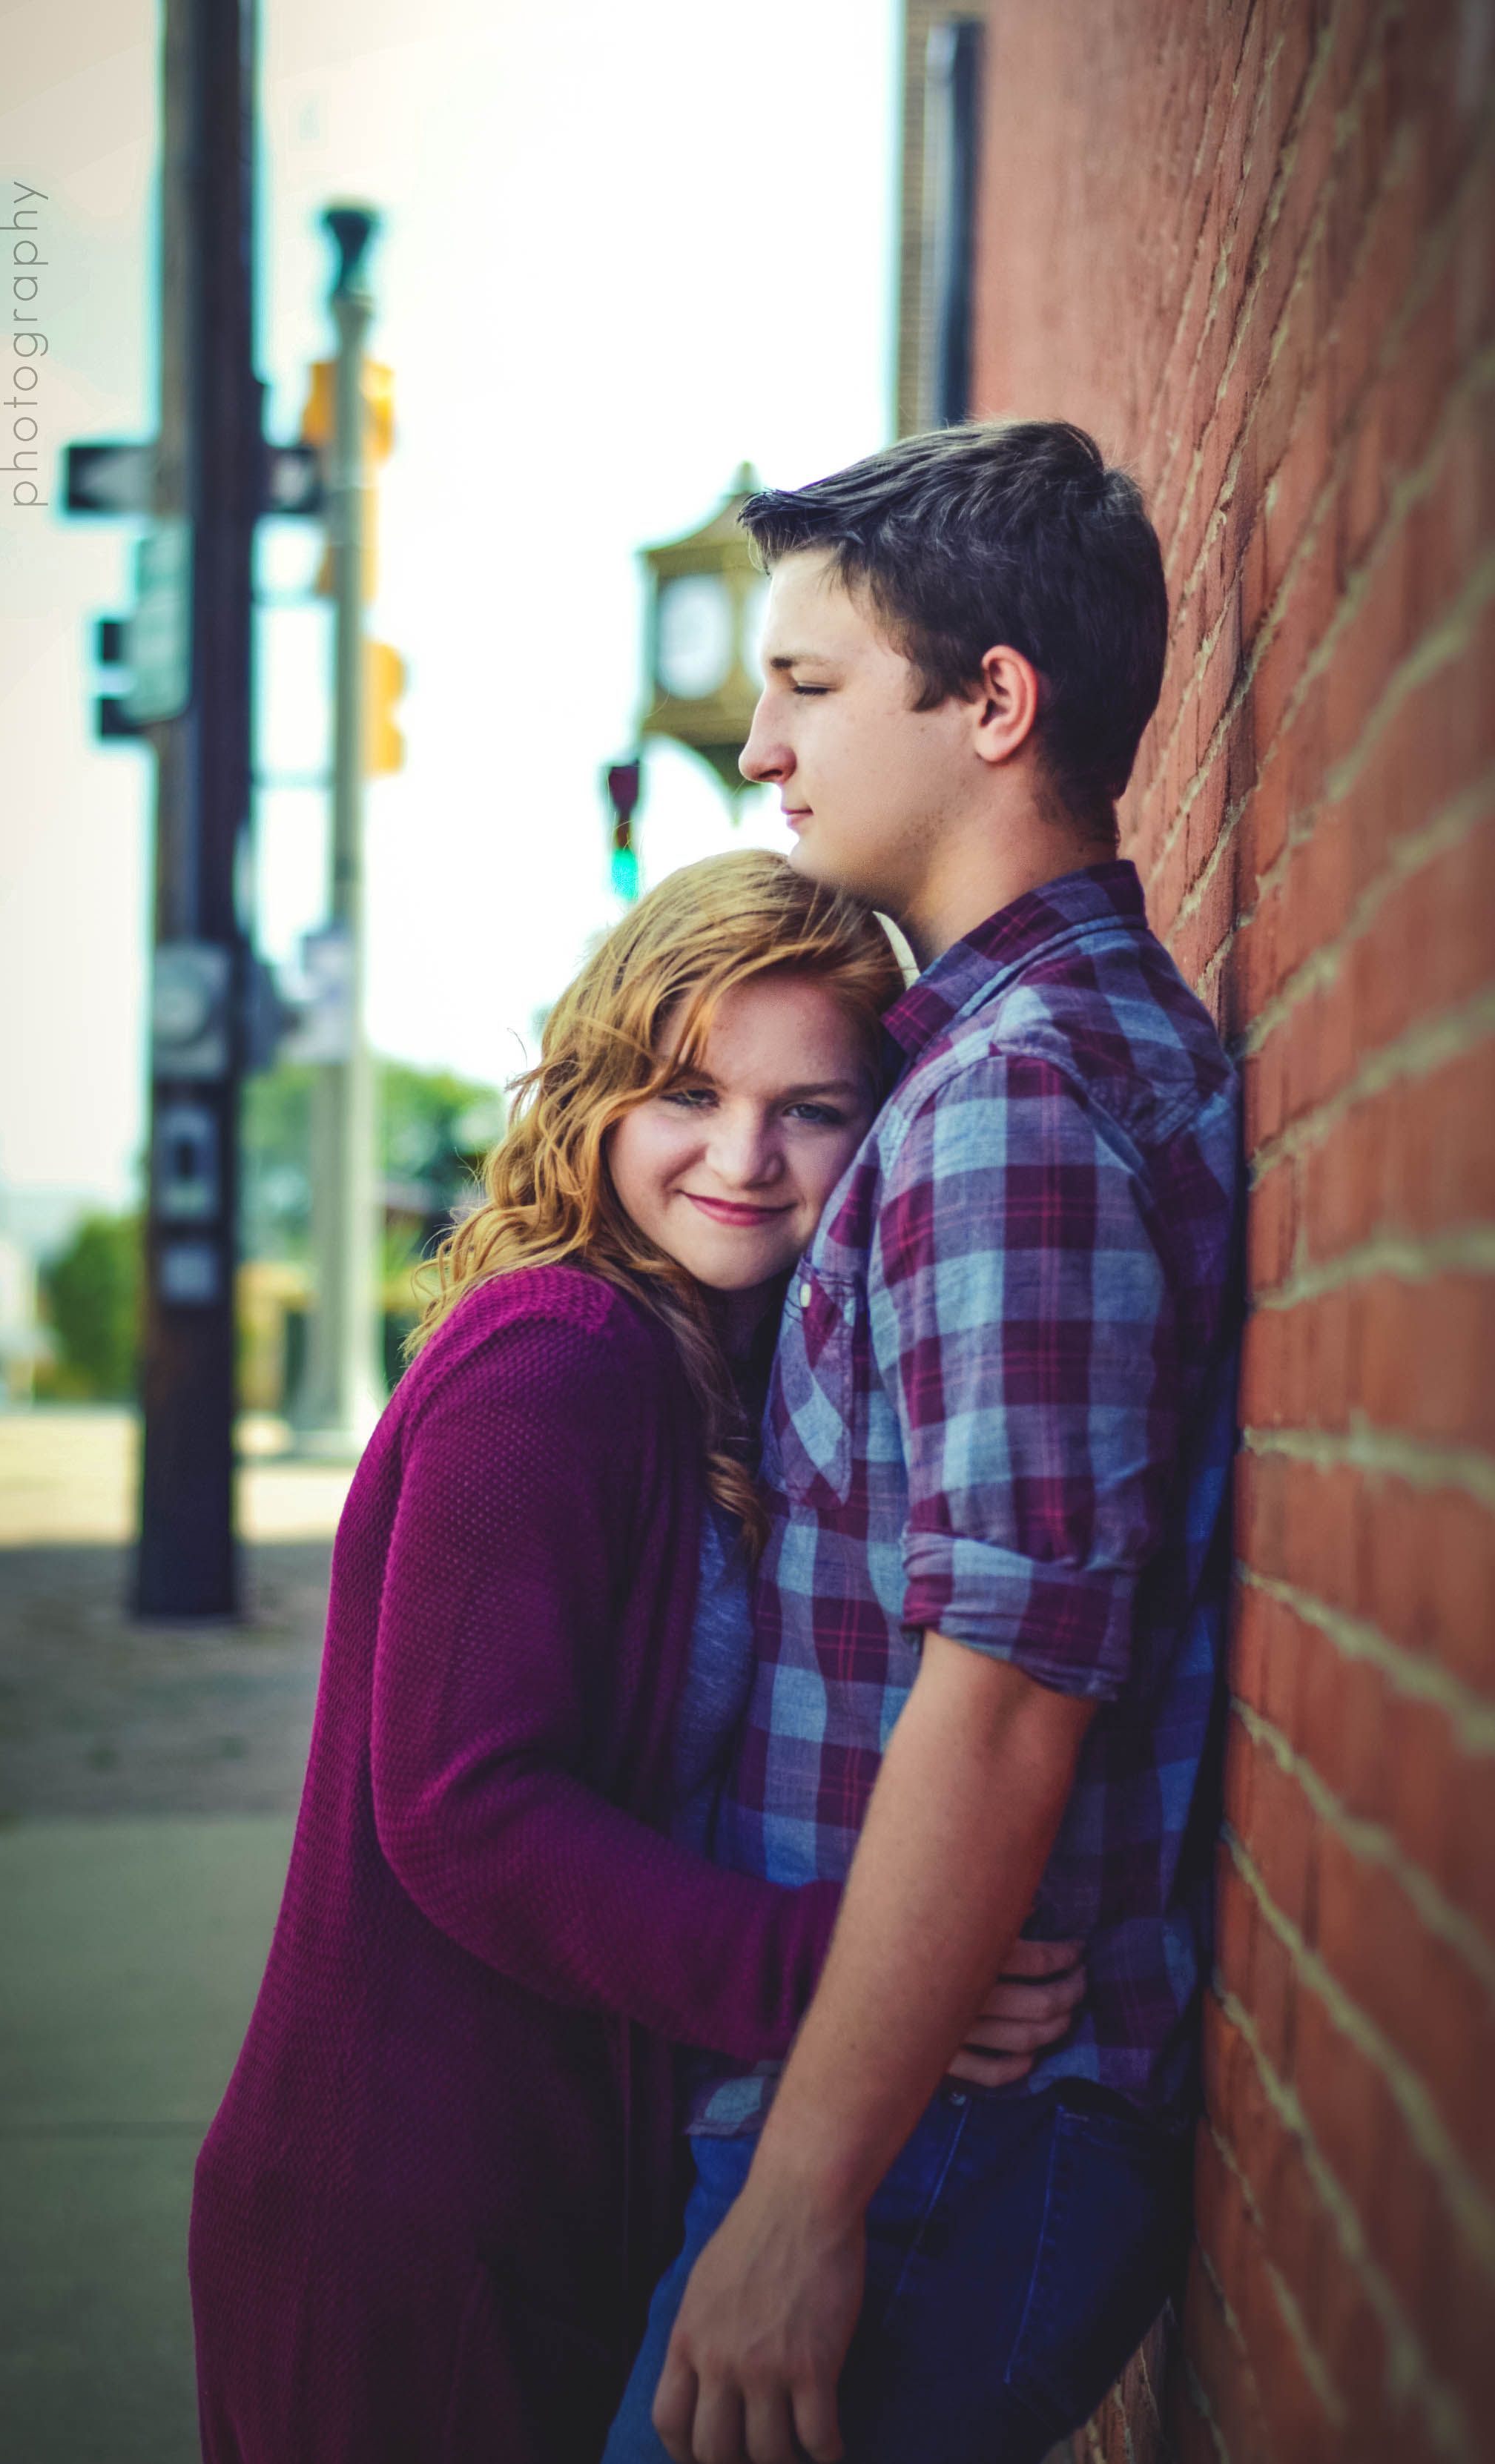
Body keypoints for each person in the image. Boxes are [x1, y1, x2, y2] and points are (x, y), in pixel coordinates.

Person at [188, 850, 1082, 2464]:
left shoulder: (715, 1373)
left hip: (547, 2198)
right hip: (411, 2228)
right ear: (597, 1100)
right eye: (685, 1090)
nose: (742, 1157)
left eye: (810, 1108)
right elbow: (466, 1810)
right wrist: (862, 1977)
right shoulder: (558, 1360)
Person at [602, 421, 1242, 2464]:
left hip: (934, 2149)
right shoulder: (985, 1070)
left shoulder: (1011, 1110)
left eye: (807, 687)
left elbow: (1006, 1690)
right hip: (912, 2119)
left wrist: (800, 2197)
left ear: (993, 702)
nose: (760, 750)